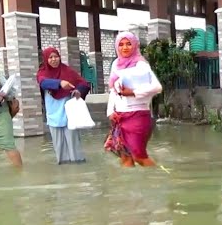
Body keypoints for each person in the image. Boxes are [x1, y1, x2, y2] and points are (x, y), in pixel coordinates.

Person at [105, 31, 162, 167]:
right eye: (121, 44)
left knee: (138, 156)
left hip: (138, 115)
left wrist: (133, 92)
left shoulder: (141, 65)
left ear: (135, 45)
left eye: (129, 44)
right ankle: (130, 187)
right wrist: (110, 112)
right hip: (119, 116)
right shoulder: (116, 64)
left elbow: (157, 87)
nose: (125, 47)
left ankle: (158, 179)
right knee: (125, 156)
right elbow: (113, 90)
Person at [36, 47, 91, 164]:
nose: (54, 59)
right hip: (53, 114)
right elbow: (43, 82)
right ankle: (64, 166)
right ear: (46, 59)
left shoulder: (67, 71)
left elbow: (84, 83)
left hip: (68, 112)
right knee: (58, 145)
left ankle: (78, 167)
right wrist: (60, 83)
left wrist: (78, 91)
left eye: (56, 56)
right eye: (50, 57)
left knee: (73, 142)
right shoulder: (42, 72)